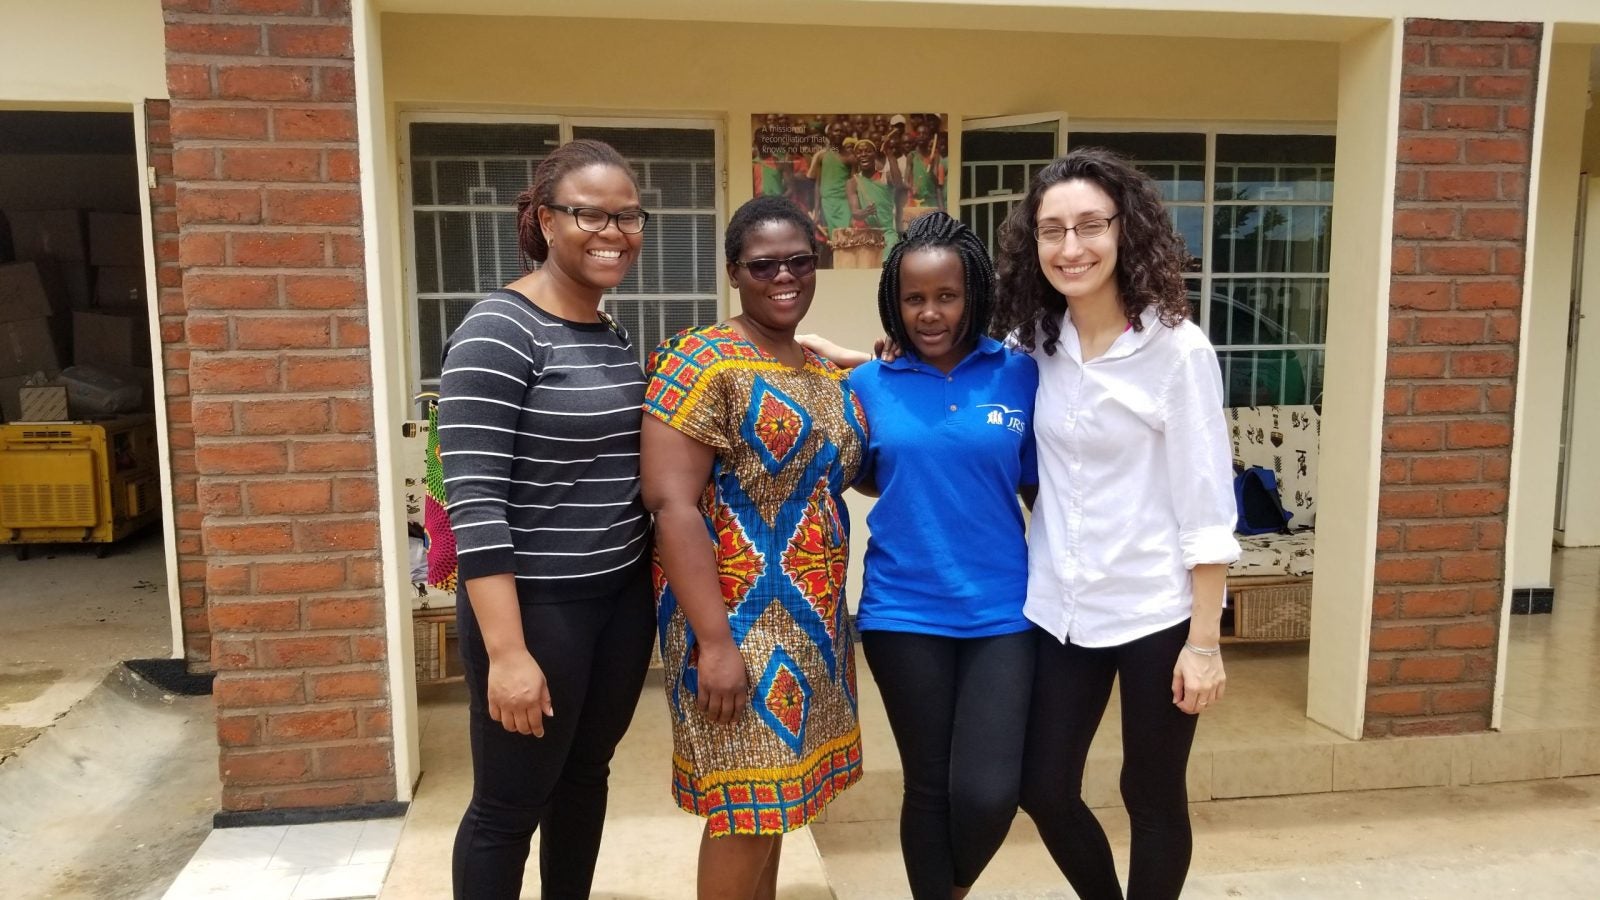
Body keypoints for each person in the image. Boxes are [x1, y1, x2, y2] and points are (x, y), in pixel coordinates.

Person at [993, 147, 1240, 900]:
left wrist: (1204, 643)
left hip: (1153, 610)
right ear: (1033, 245)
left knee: (1151, 792)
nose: (1071, 247)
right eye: (1051, 230)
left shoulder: (1176, 350)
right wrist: (859, 362)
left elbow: (1207, 507)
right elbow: (958, 381)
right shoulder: (1036, 343)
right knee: (1043, 785)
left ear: (1124, 230)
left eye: (1089, 226)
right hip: (1061, 607)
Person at [437, 139, 656, 900]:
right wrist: (507, 654)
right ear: (543, 219)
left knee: (584, 779)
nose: (613, 231)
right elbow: (474, 501)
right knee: (508, 807)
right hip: (536, 611)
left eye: (628, 216)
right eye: (589, 213)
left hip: (618, 603)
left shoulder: (612, 335)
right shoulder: (500, 330)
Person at [641, 196, 868, 900]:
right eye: (764, 265)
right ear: (735, 271)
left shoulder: (821, 370)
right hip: (733, 623)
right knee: (743, 806)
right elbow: (671, 506)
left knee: (775, 806)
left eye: (800, 262)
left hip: (813, 625)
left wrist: (855, 357)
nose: (784, 277)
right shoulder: (703, 362)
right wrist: (714, 643)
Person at [848, 212, 1039, 899]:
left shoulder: (1019, 374)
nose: (930, 314)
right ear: (894, 303)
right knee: (928, 787)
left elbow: (1039, 484)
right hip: (903, 613)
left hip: (1004, 613)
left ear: (975, 293)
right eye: (914, 298)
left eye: (947, 296)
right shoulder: (869, 383)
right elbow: (869, 468)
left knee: (991, 791)